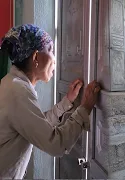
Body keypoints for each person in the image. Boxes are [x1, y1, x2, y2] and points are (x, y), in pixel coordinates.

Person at [0, 24, 101, 179]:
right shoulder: (17, 91)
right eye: (51, 50)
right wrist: (85, 107)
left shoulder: (13, 84)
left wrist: (67, 102)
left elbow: (35, 126)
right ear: (35, 57)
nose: (55, 59)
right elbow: (56, 144)